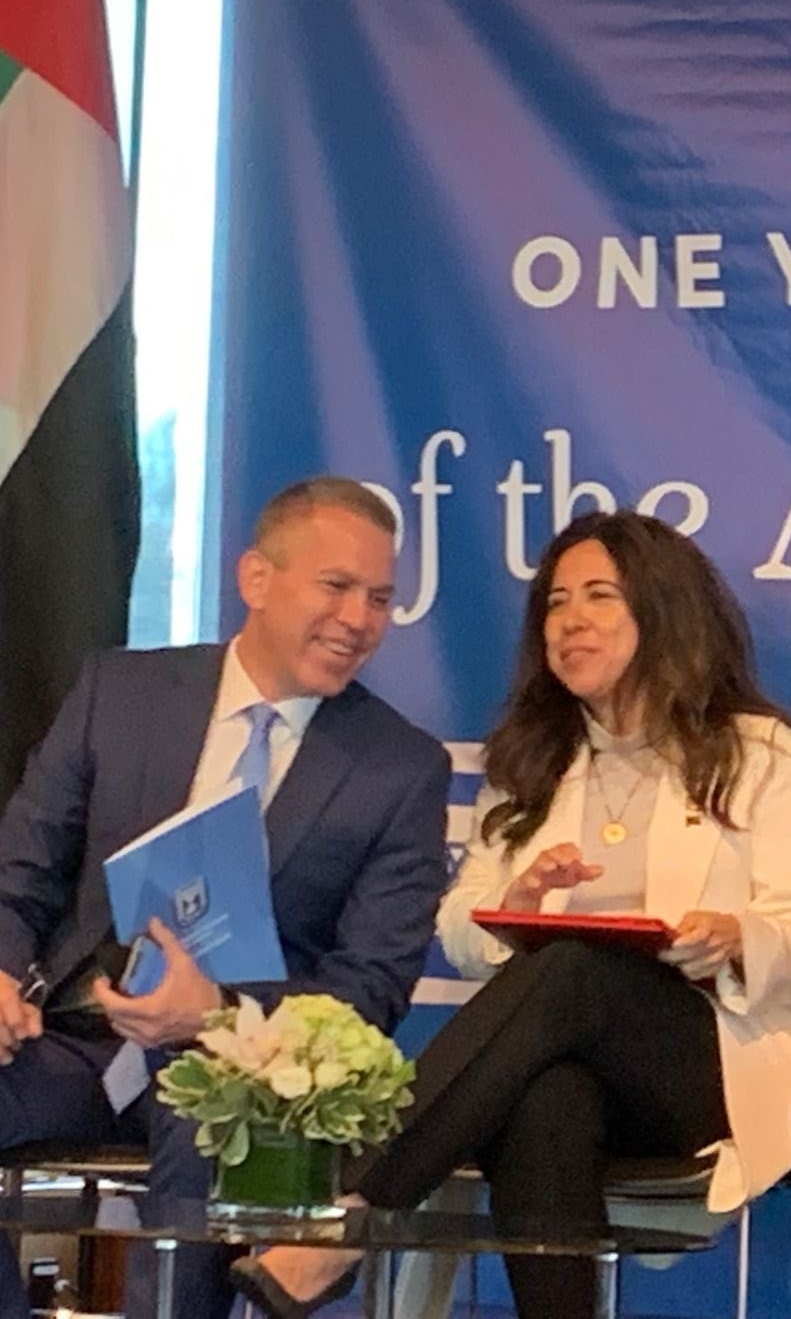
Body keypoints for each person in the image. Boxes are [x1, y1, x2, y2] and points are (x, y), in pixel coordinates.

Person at [232, 511, 791, 1319]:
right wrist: (509, 907)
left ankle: (354, 1212)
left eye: (599, 598)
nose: (570, 623)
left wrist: (737, 938)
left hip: (716, 1059)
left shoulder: (754, 751)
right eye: (556, 604)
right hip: (580, 1058)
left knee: (570, 973)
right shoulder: (536, 761)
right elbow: (456, 925)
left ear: (663, 611)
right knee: (543, 1096)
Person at [0, 477, 452, 1319]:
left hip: (243, 1067)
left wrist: (216, 1012)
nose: (358, 620)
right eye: (336, 586)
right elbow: (20, 871)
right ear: (255, 579)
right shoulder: (119, 694)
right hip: (76, 1041)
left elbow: (372, 988)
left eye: (381, 599)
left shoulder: (402, 768)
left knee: (210, 1126)